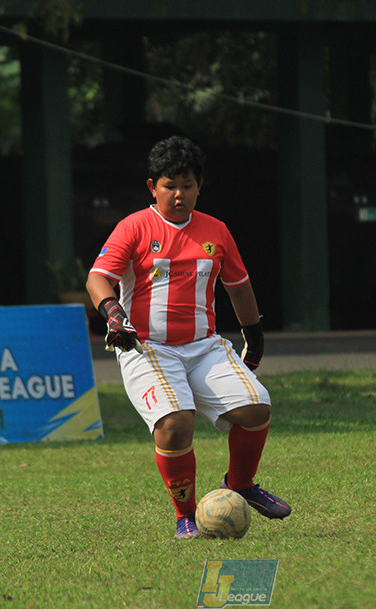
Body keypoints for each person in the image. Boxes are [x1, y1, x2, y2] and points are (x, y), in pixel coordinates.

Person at [86, 136, 291, 539]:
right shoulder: (134, 227)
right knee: (175, 425)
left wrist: (254, 337)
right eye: (170, 185)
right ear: (153, 187)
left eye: (187, 185)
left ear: (200, 186)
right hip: (147, 347)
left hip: (204, 347)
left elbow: (239, 288)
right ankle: (186, 516)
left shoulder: (216, 231)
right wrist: (114, 314)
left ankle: (241, 484)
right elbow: (98, 278)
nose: (179, 194)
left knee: (257, 408)